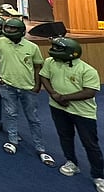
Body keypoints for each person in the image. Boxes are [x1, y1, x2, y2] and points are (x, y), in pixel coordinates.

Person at [40, 37, 104, 191]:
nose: (53, 50)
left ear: (70, 52)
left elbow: (90, 92)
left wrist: (64, 98)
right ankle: (71, 162)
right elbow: (44, 77)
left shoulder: (87, 70)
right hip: (58, 108)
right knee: (65, 136)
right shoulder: (50, 62)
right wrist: (54, 95)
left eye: (58, 48)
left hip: (83, 113)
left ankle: (99, 176)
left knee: (90, 143)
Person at [0, 18, 55, 166]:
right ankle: (12, 140)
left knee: (33, 118)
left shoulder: (32, 47)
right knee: (11, 114)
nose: (9, 30)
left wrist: (37, 85)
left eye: (13, 28)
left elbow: (38, 67)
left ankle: (40, 147)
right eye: (8, 28)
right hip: (7, 85)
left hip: (28, 87)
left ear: (21, 31)